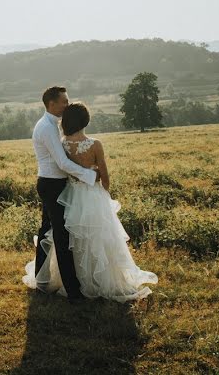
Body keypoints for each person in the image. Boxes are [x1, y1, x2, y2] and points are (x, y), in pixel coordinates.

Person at [24, 101, 158, 302]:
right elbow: (105, 177)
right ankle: (99, 279)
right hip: (92, 195)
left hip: (69, 195)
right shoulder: (95, 144)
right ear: (86, 120)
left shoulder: (62, 143)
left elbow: (64, 167)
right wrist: (103, 191)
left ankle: (71, 279)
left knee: (72, 237)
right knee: (98, 235)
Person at [23, 86, 99, 303]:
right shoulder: (46, 128)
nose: (67, 104)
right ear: (52, 103)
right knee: (61, 236)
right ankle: (72, 291)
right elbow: (62, 162)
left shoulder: (51, 125)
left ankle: (42, 281)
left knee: (47, 232)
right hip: (52, 185)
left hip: (51, 183)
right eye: (64, 101)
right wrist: (89, 175)